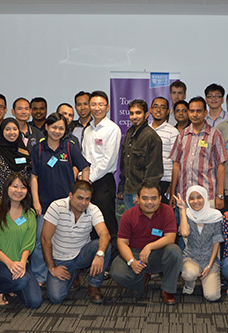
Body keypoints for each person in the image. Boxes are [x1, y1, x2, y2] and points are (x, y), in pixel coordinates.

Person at [31, 113, 91, 285]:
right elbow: (33, 177)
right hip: (44, 204)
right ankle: (40, 276)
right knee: (40, 241)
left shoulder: (69, 147)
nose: (57, 131)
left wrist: (84, 191)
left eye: (61, 128)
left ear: (65, 130)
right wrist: (35, 201)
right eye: (54, 127)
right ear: (47, 128)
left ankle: (69, 273)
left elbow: (85, 167)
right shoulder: (38, 149)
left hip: (67, 206)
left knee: (67, 240)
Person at [110, 181, 182, 305]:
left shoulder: (167, 211)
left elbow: (170, 237)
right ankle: (142, 278)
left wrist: (149, 246)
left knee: (174, 251)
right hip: (135, 253)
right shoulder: (128, 215)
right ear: (137, 199)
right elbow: (121, 242)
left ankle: (167, 290)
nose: (149, 202)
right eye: (145, 198)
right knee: (116, 273)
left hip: (158, 253)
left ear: (160, 199)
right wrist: (131, 261)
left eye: (153, 198)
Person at [41, 180, 111, 304]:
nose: (83, 203)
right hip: (61, 259)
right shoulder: (56, 207)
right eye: (80, 198)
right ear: (71, 195)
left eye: (87, 199)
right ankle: (74, 274)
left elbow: (105, 234)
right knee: (55, 297)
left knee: (104, 245)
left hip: (81, 255)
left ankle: (94, 286)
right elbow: (45, 239)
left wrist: (100, 254)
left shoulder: (93, 209)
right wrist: (52, 268)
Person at [0, 173, 42, 308]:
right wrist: (10, 264)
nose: (18, 191)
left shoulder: (30, 213)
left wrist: (21, 263)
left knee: (35, 302)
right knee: (22, 281)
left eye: (23, 187)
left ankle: (11, 285)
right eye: (15, 186)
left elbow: (29, 244)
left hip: (20, 263)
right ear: (7, 188)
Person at [170, 97, 228, 210]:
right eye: (192, 111)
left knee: (208, 228)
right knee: (185, 227)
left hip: (207, 196)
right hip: (185, 196)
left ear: (205, 113)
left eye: (198, 111)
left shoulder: (214, 134)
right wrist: (173, 192)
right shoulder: (182, 135)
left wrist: (220, 195)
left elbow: (221, 165)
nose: (195, 114)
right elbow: (176, 164)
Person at [82, 90, 121, 243]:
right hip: (87, 181)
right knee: (89, 224)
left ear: (108, 107)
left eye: (101, 104)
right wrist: (82, 177)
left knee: (106, 222)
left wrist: (89, 178)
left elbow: (108, 161)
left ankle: (111, 262)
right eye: (93, 104)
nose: (97, 108)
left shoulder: (112, 129)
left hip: (102, 182)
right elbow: (84, 156)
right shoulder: (88, 129)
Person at [175, 185, 223, 301]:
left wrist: (209, 266)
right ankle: (189, 283)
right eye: (191, 198)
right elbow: (185, 233)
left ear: (205, 198)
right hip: (191, 257)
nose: (195, 201)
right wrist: (182, 210)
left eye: (199, 197)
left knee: (212, 296)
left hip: (209, 259)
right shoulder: (187, 215)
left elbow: (216, 242)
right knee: (189, 273)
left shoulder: (215, 216)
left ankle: (205, 277)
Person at [118, 99, 163, 210]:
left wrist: (143, 195)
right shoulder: (129, 133)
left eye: (138, 113)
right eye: (132, 113)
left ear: (146, 115)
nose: (134, 116)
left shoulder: (152, 137)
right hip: (128, 190)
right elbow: (124, 165)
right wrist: (121, 188)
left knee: (144, 225)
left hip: (141, 194)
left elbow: (153, 171)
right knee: (132, 225)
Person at [0, 118, 31, 205]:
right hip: (2, 202)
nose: (12, 132)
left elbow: (28, 178)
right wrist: (0, 204)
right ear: (2, 131)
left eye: (15, 129)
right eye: (7, 129)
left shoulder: (24, 152)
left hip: (22, 201)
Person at [150, 97, 179, 204]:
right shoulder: (144, 130)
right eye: (155, 107)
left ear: (168, 111)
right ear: (150, 109)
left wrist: (172, 186)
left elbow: (176, 161)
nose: (158, 110)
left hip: (165, 182)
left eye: (162, 108)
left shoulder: (173, 132)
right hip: (147, 182)